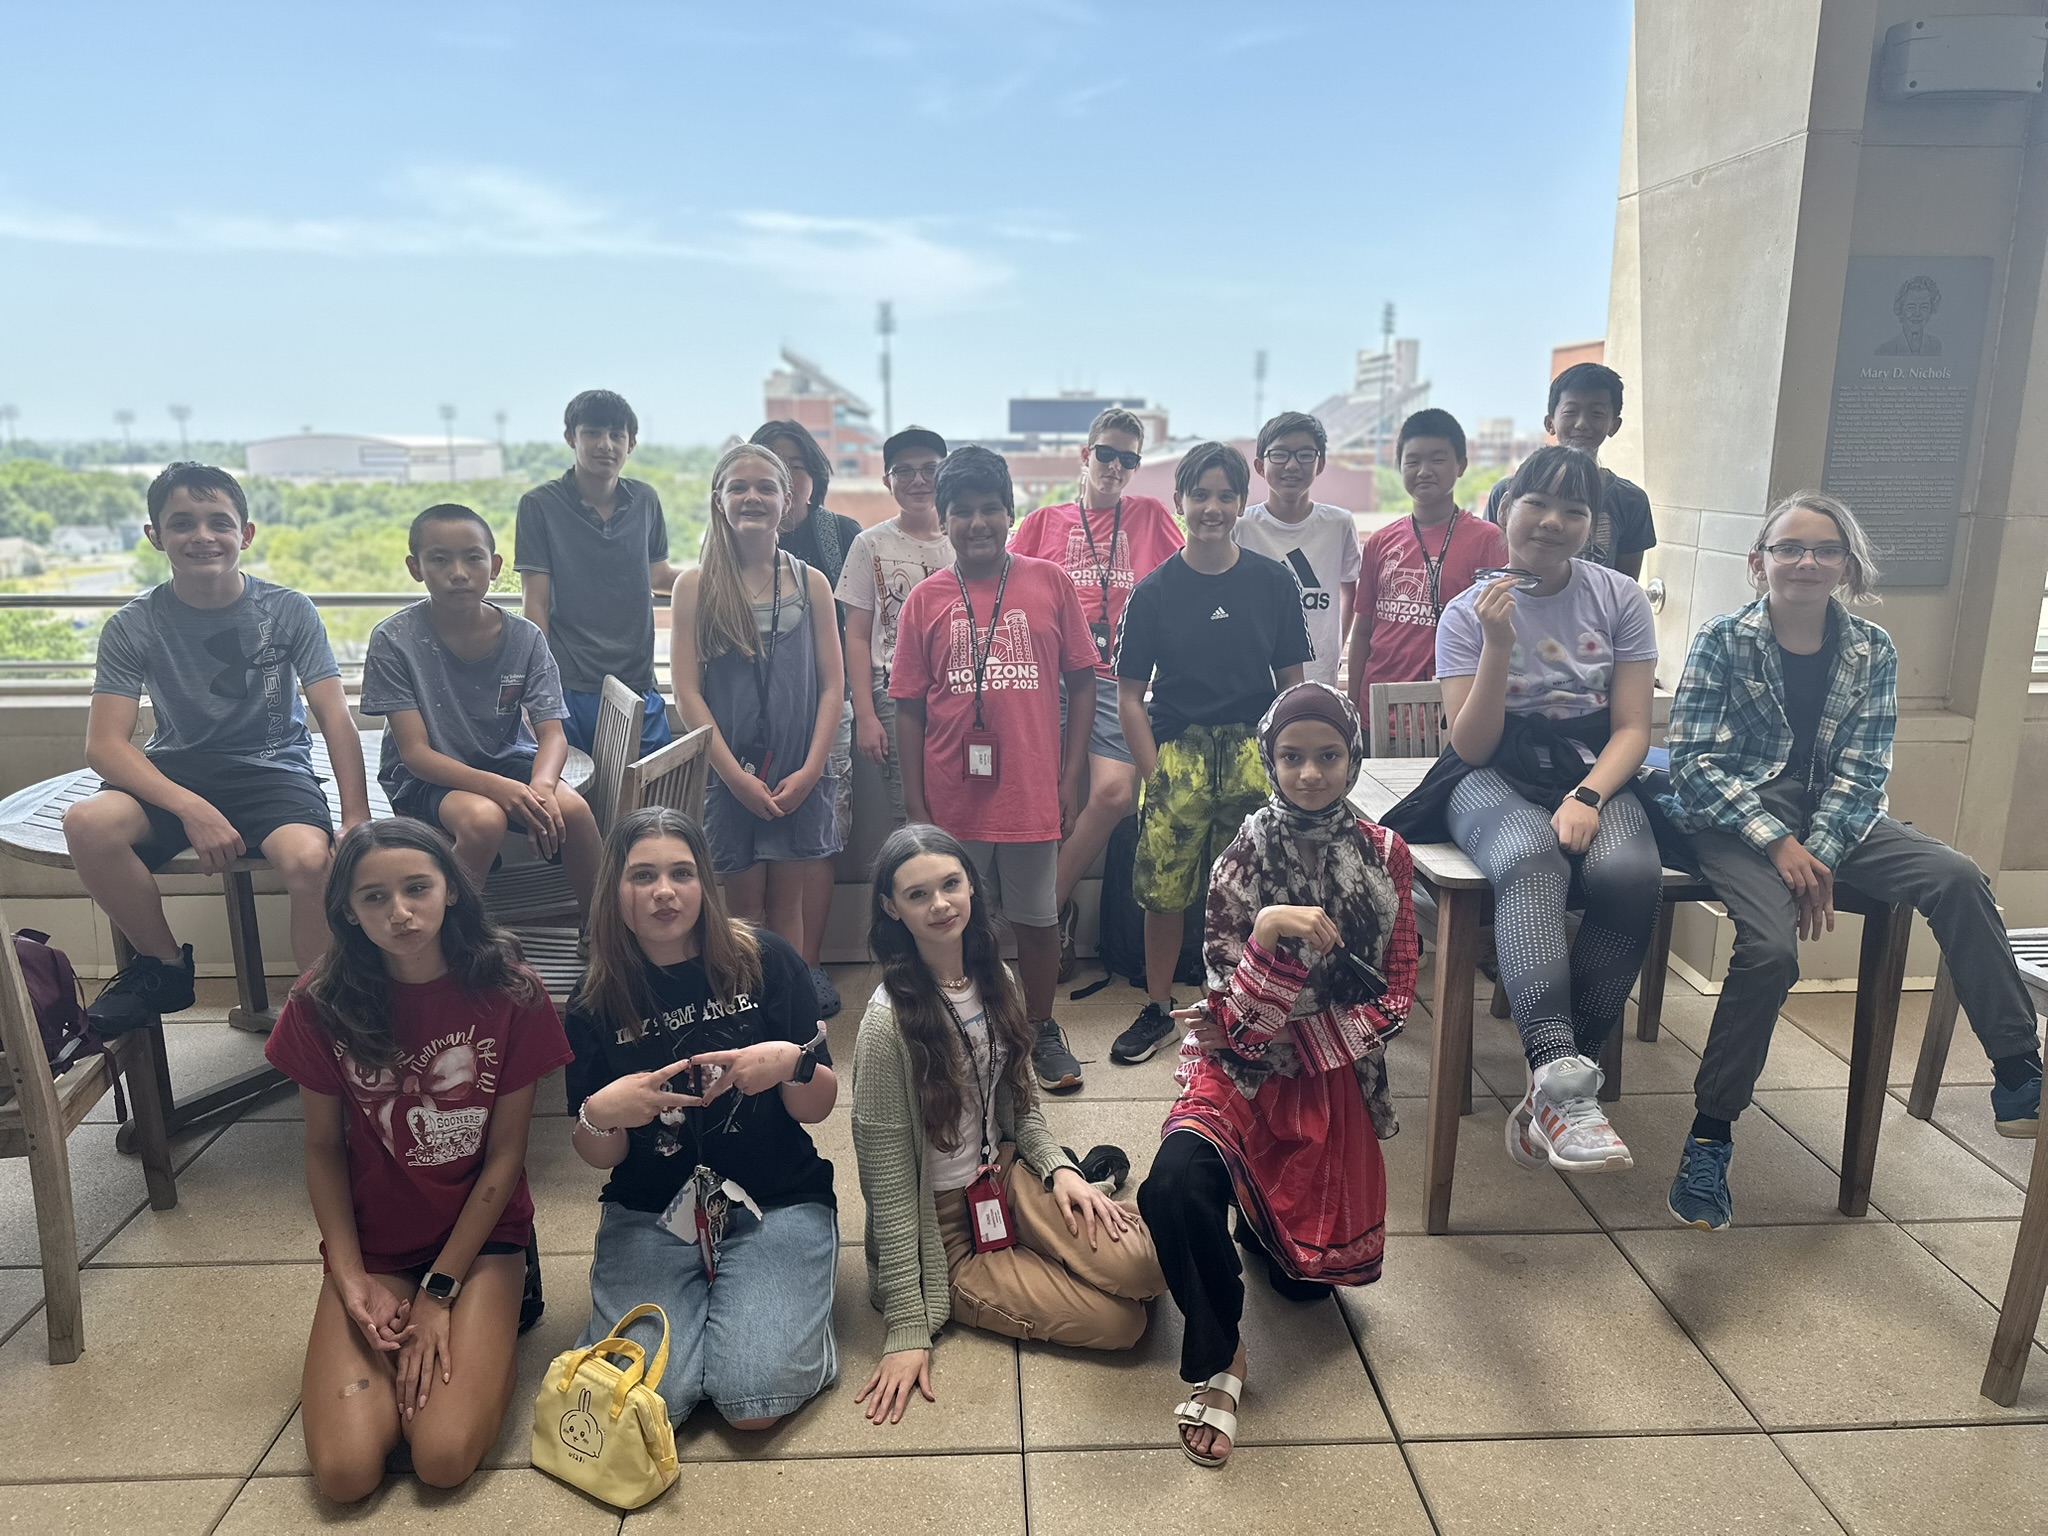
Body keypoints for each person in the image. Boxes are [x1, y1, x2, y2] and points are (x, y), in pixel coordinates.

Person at [1660, 491, 2043, 1229]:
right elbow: (1697, 767)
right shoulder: (1722, 638)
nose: (1806, 561)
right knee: (1771, 952)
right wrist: (1778, 842)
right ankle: (1710, 1136)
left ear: (1846, 565)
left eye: (1824, 549)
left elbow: (1864, 772)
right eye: (1789, 548)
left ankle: (2019, 1071)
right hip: (1736, 819)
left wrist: (1817, 856)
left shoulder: (1873, 648)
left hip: (1837, 818)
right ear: (1759, 562)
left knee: (1957, 875)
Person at [1138, 683, 1415, 1468]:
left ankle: (1254, 1225)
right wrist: (1268, 933)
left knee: (1302, 1286)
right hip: (1240, 1062)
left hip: (1328, 1075)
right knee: (1174, 1186)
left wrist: (1312, 1041)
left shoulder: (1387, 855)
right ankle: (1220, 1357)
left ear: (1353, 758)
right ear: (1270, 759)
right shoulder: (1243, 853)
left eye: (1328, 756)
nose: (1310, 774)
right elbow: (1234, 1015)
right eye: (1292, 757)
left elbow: (1396, 992)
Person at [264, 818, 572, 1503]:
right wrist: (349, 1281)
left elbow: (506, 1156)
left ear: (451, 892)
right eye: (374, 898)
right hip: (376, 1243)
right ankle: (419, 1324)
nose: (399, 913)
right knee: (345, 1475)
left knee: (441, 1457)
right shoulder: (319, 1002)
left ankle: (499, 1313)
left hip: (482, 1239)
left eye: (416, 889)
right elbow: (320, 1149)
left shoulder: (512, 991)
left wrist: (439, 1294)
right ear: (346, 909)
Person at [851, 823, 1165, 1426]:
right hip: (942, 1231)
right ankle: (1030, 1258)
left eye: (950, 884)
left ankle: (1046, 1240)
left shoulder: (999, 979)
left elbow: (1023, 1109)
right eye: (918, 895)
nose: (941, 904)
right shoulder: (885, 1025)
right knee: (1123, 1325)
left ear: (972, 884)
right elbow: (887, 1190)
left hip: (1005, 1176)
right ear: (892, 908)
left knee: (1147, 1271)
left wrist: (1061, 1169)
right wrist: (908, 1326)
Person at [63, 462, 369, 1032]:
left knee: (310, 861)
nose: (202, 536)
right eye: (182, 523)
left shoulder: (287, 609)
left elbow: (334, 715)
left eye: (218, 522)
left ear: (245, 533)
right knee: (87, 822)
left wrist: (356, 817)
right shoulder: (133, 625)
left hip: (273, 771)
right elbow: (105, 746)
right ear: (156, 535)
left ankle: (322, 1014)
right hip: (177, 772)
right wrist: (191, 807)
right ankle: (164, 966)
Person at [567, 807, 839, 1430]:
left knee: (752, 1402)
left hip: (775, 1193)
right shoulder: (593, 998)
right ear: (615, 889)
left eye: (681, 873)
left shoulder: (765, 959)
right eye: (643, 876)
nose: (664, 892)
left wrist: (794, 1065)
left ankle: (762, 1311)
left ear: (704, 884)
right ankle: (716, 1306)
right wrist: (598, 1114)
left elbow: (817, 1108)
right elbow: (600, 1154)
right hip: (650, 1205)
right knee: (652, 1400)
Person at [1433, 445, 1662, 1173]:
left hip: (1589, 766)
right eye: (1537, 503)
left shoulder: (1619, 598)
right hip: (1491, 772)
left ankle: (1561, 1089)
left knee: (1630, 873)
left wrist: (1589, 794)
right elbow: (1471, 746)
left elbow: (1632, 728)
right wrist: (1499, 642)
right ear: (1505, 511)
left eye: (1574, 509)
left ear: (1592, 525)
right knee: (1531, 858)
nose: (1553, 521)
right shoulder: (1467, 613)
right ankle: (1562, 1080)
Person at [889, 446, 1100, 1093]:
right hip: (952, 800)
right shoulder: (925, 600)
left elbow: (1084, 683)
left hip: (1031, 792)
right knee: (953, 923)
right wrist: (917, 806)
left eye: (989, 510)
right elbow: (907, 707)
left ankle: (1039, 1028)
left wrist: (1069, 780)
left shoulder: (1049, 584)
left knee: (1038, 921)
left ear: (1009, 514)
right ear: (943, 518)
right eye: (962, 512)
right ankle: (958, 1025)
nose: (977, 523)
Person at [1110, 441, 1312, 1068]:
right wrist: (1156, 773)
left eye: (1226, 495)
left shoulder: (1272, 581)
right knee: (1164, 892)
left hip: (1254, 751)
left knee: (1248, 892)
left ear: (1242, 503)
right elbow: (1128, 698)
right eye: (1200, 495)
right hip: (1180, 754)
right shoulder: (1154, 592)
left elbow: (1293, 687)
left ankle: (1238, 1004)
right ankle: (1158, 1006)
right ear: (1180, 503)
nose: (1213, 507)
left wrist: (1289, 766)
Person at [1009, 406, 1185, 972]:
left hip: (1115, 680)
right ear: (1085, 456)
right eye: (1105, 454)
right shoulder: (1042, 522)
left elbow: (1182, 580)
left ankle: (1038, 919)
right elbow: (1011, 595)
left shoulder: (1151, 516)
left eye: (1127, 459)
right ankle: (1051, 931)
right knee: (1042, 808)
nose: (1115, 466)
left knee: (1112, 794)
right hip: (1050, 677)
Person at [362, 503, 601, 918]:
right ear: (415, 567)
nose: (458, 572)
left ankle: (600, 932)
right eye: (440, 559)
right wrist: (500, 789)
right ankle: (460, 938)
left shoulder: (524, 637)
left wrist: (542, 786)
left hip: (508, 763)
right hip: (427, 777)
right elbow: (416, 754)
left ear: (494, 566)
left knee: (574, 809)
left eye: (472, 557)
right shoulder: (394, 639)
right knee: (483, 820)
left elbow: (552, 733)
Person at [670, 443, 844, 958]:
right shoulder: (695, 586)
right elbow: (687, 693)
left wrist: (812, 772)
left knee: (788, 906)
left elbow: (834, 686)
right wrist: (735, 778)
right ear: (717, 498)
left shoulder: (810, 583)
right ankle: (746, 1011)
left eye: (766, 487)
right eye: (738, 487)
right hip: (731, 778)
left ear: (788, 500)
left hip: (796, 774)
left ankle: (789, 1015)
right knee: (742, 911)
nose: (752, 497)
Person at [753, 420, 865, 1018]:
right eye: (770, 462)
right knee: (756, 847)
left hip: (826, 711)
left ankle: (810, 966)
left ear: (813, 477)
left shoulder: (839, 535)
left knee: (817, 841)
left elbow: (853, 635)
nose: (783, 476)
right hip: (751, 726)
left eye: (794, 464)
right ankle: (762, 972)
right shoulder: (728, 545)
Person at [516, 389, 678, 757]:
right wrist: (537, 691)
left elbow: (660, 577)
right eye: (592, 433)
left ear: (631, 443)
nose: (605, 445)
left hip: (636, 680)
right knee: (574, 798)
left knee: (645, 801)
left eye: (616, 435)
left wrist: (723, 575)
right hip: (569, 684)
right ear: (571, 437)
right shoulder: (540, 505)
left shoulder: (646, 500)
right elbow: (535, 604)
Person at [1347, 409, 1508, 702]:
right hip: (1380, 705)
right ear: (1399, 466)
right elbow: (1362, 633)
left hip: (1454, 705)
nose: (1424, 470)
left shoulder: (1490, 542)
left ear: (1461, 465)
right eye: (1413, 461)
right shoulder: (1379, 543)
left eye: (1437, 459)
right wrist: (1355, 705)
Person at [838, 426, 953, 830]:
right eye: (904, 471)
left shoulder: (967, 538)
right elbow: (855, 634)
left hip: (959, 694)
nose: (918, 480)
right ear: (888, 481)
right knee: (911, 812)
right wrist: (865, 716)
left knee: (960, 807)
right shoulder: (870, 545)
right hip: (892, 697)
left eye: (929, 469)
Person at [1483, 363, 1655, 579]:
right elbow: (1493, 565)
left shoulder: (1631, 501)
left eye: (1597, 414)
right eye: (1571, 412)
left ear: (1614, 425)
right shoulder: (1508, 491)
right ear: (1550, 423)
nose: (1582, 423)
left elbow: (1626, 583)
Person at [1236, 411, 1360, 689]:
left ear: (1320, 464)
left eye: (1305, 455)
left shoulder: (1339, 524)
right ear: (1259, 465)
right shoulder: (1241, 526)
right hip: (1254, 673)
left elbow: (1350, 589)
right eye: (1279, 454)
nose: (1292, 465)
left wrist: (1335, 648)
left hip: (1318, 671)